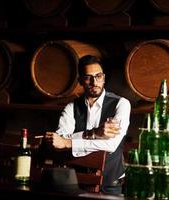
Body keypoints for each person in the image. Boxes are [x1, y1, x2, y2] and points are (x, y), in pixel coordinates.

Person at [45, 55, 131, 195]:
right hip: (78, 182)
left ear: (103, 78)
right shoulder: (71, 107)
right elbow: (59, 141)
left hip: (111, 185)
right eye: (88, 77)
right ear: (80, 81)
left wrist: (69, 142)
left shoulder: (121, 104)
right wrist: (94, 134)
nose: (94, 82)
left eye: (98, 76)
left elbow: (110, 145)